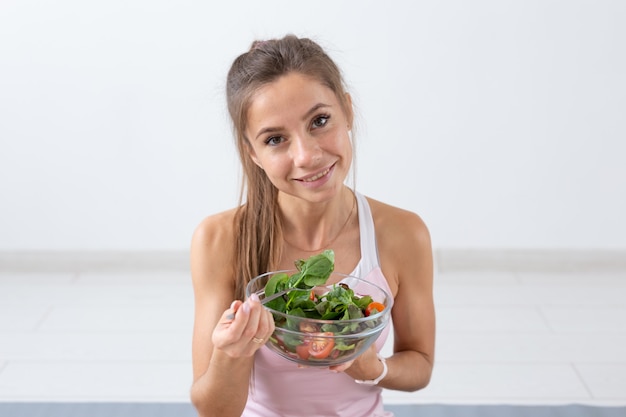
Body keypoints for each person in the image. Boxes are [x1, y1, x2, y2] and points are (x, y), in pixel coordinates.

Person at [189, 34, 435, 417]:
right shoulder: (219, 239)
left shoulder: (403, 233)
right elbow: (213, 409)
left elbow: (420, 364)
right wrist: (229, 353)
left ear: (348, 111)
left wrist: (375, 368)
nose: (307, 156)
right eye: (275, 139)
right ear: (252, 152)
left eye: (319, 121)